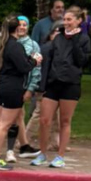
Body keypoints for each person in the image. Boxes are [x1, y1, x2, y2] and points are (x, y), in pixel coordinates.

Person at [30, 6, 91, 169]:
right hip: (53, 83)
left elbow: (81, 61)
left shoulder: (84, 39)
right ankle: (42, 154)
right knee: (44, 120)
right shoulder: (58, 38)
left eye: (69, 19)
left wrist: (75, 39)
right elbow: (48, 58)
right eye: (64, 19)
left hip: (71, 85)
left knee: (65, 121)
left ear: (78, 21)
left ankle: (60, 156)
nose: (66, 22)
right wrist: (42, 84)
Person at [0, 16, 42, 163]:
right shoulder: (15, 46)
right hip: (13, 87)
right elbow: (23, 67)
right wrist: (35, 61)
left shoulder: (2, 45)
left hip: (1, 86)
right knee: (5, 124)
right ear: (16, 29)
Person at [24, 20, 63, 151]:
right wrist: (41, 87)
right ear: (51, 34)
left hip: (54, 86)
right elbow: (43, 70)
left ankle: (55, 141)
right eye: (57, 32)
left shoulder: (58, 49)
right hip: (45, 87)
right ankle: (25, 140)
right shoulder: (47, 49)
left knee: (56, 116)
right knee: (39, 113)